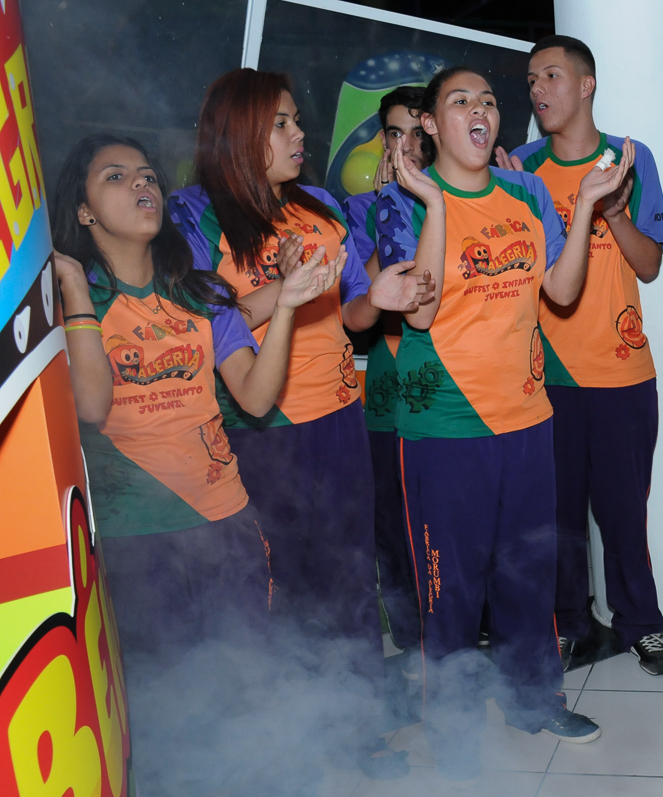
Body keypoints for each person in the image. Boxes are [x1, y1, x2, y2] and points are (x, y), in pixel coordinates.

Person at [52, 134, 342, 792]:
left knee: (243, 690)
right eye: (117, 177)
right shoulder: (79, 301)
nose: (142, 185)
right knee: (161, 710)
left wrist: (290, 304)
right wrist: (72, 288)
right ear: (85, 210)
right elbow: (92, 404)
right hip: (135, 539)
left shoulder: (200, 292)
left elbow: (257, 397)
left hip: (227, 525)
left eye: (148, 174)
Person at [369, 65, 631, 779]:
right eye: (460, 101)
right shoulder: (401, 203)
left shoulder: (525, 190)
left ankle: (532, 697)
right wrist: (434, 199)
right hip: (445, 427)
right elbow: (416, 311)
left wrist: (584, 212)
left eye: (487, 100)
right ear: (428, 123)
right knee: (449, 584)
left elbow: (563, 289)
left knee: (528, 571)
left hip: (527, 416)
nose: (479, 110)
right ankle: (450, 725)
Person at [167, 69, 405, 758]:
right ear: (238, 131)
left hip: (337, 417)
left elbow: (353, 311)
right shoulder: (194, 215)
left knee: (350, 574)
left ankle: (361, 728)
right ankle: (288, 734)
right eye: (282, 123)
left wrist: (381, 294)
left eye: (298, 120)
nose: (300, 134)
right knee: (281, 583)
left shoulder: (322, 206)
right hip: (258, 430)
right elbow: (204, 328)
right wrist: (284, 289)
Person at [494, 34, 663, 676]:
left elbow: (652, 266)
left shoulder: (630, 157)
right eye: (531, 80)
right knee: (558, 514)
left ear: (586, 83)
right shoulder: (519, 165)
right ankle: (568, 624)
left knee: (626, 511)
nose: (538, 89)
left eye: (550, 75)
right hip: (544, 377)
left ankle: (639, 625)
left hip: (623, 370)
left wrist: (616, 213)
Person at [342, 84, 430, 673]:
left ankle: (464, 627)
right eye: (395, 134)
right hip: (390, 389)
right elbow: (367, 306)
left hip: (457, 386)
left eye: (417, 133)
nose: (407, 146)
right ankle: (411, 634)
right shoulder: (355, 211)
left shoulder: (463, 196)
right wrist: (381, 214)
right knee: (393, 520)